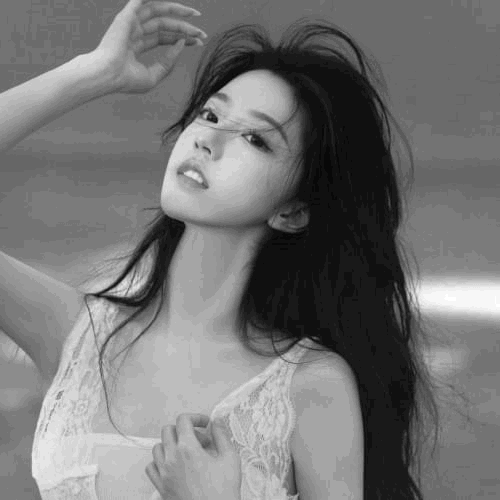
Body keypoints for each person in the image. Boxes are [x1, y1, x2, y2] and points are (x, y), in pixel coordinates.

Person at [0, 0, 471, 499]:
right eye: (210, 114)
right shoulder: (75, 336)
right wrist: (93, 72)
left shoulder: (311, 386)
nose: (207, 140)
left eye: (254, 138)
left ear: (293, 211)